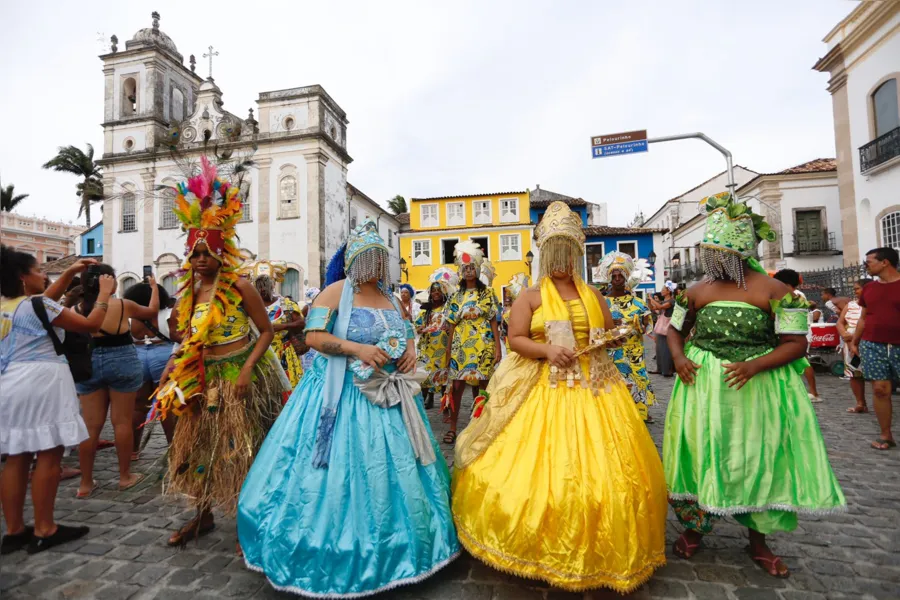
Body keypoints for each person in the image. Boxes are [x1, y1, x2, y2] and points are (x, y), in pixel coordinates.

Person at [451, 202, 667, 593]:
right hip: (542, 387)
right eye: (556, 253)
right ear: (546, 256)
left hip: (596, 388)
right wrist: (547, 350)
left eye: (568, 254)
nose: (562, 262)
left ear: (576, 255)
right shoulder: (531, 296)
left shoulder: (593, 294)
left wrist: (618, 334)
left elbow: (605, 334)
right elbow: (516, 338)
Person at [238, 221, 459, 597]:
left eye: (379, 259)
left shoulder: (390, 297)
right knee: (340, 471)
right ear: (353, 260)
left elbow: (406, 329)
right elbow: (313, 337)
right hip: (341, 393)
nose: (374, 267)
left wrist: (409, 351)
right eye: (367, 259)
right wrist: (358, 349)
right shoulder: (336, 292)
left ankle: (405, 542)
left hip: (390, 395)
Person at [664, 192, 845, 578]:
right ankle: (696, 528)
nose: (710, 263)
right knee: (702, 452)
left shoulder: (776, 291)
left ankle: (758, 540)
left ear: (736, 254)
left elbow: (796, 344)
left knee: (758, 457)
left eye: (717, 255)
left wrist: (754, 365)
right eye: (709, 255)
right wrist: (679, 358)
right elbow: (674, 330)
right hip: (702, 389)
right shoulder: (695, 291)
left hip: (757, 389)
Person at [152, 156, 290, 549]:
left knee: (245, 449)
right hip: (203, 377)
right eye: (194, 253)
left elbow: (265, 332)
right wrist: (172, 367)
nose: (200, 260)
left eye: (206, 253)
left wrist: (246, 370)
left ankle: (254, 519)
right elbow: (188, 338)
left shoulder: (240, 286)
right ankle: (203, 514)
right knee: (198, 447)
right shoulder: (190, 292)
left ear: (220, 252)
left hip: (240, 377)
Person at [1, 248, 114, 554]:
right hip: (42, 381)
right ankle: (45, 528)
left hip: (9, 381)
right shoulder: (37, 305)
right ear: (22, 277)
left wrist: (68, 273)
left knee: (17, 456)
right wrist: (104, 294)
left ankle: (14, 531)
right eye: (38, 270)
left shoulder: (8, 306)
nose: (44, 275)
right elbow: (91, 325)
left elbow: (40, 304)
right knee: (49, 454)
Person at [74, 264, 158, 498]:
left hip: (89, 361)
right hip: (121, 359)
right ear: (109, 282)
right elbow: (152, 311)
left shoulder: (76, 308)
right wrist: (153, 288)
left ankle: (85, 483)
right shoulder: (122, 305)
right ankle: (124, 476)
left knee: (90, 426)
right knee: (122, 422)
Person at [442, 240, 501, 445]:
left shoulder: (488, 293)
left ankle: (481, 427)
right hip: (461, 346)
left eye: (471, 268)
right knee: (456, 386)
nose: (468, 271)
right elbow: (451, 324)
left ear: (477, 269)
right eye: (465, 268)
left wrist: (498, 348)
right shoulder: (455, 296)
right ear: (461, 271)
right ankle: (452, 427)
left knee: (483, 386)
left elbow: (493, 321)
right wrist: (448, 349)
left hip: (484, 344)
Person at [849, 247, 900, 450]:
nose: (865, 266)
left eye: (868, 262)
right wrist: (855, 341)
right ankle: (886, 435)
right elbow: (863, 318)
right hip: (872, 344)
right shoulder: (869, 288)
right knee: (880, 389)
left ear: (885, 262)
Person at [596, 252, 656, 421]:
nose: (617, 279)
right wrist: (608, 323)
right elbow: (595, 327)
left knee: (637, 378)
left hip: (633, 351)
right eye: (614, 275)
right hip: (611, 352)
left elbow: (647, 328)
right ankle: (614, 413)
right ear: (609, 278)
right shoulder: (602, 303)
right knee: (612, 381)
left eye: (620, 275)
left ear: (626, 277)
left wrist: (637, 324)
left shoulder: (639, 304)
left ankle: (640, 412)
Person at [124, 281, 178, 459]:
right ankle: (174, 449)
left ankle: (133, 450)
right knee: (167, 404)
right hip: (164, 355)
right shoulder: (167, 314)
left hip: (137, 355)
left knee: (138, 406)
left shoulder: (130, 317)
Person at [773, 269, 822, 403]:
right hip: (793, 331)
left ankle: (813, 392)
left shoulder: (793, 295)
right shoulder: (795, 294)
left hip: (796, 333)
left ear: (785, 284)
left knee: (803, 361)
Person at [415, 268, 457, 410]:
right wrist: (420, 328)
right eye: (433, 291)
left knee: (443, 375)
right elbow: (417, 326)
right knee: (426, 374)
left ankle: (445, 403)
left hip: (443, 347)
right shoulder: (426, 310)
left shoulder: (448, 309)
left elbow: (454, 324)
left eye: (439, 290)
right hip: (427, 348)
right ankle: (426, 399)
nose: (436, 293)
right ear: (430, 294)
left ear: (444, 292)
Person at [253, 271, 305, 388]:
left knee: (287, 387)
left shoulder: (285, 303)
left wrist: (283, 326)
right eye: (259, 287)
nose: (262, 290)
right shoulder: (253, 306)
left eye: (265, 286)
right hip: (261, 352)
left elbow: (301, 323)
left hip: (284, 352)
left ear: (272, 286)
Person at [837, 279, 871, 413]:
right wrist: (844, 334)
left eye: (857, 288)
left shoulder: (874, 304)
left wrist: (855, 337)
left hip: (868, 342)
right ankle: (860, 403)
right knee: (854, 373)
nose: (854, 291)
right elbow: (840, 322)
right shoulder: (850, 305)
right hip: (850, 344)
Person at [649, 282, 677, 377]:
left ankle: (668, 370)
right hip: (661, 327)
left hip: (667, 327)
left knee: (666, 349)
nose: (661, 291)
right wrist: (650, 301)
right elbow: (655, 309)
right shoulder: (663, 301)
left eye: (663, 289)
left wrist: (652, 299)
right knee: (659, 349)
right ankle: (660, 368)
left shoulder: (671, 301)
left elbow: (660, 307)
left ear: (668, 291)